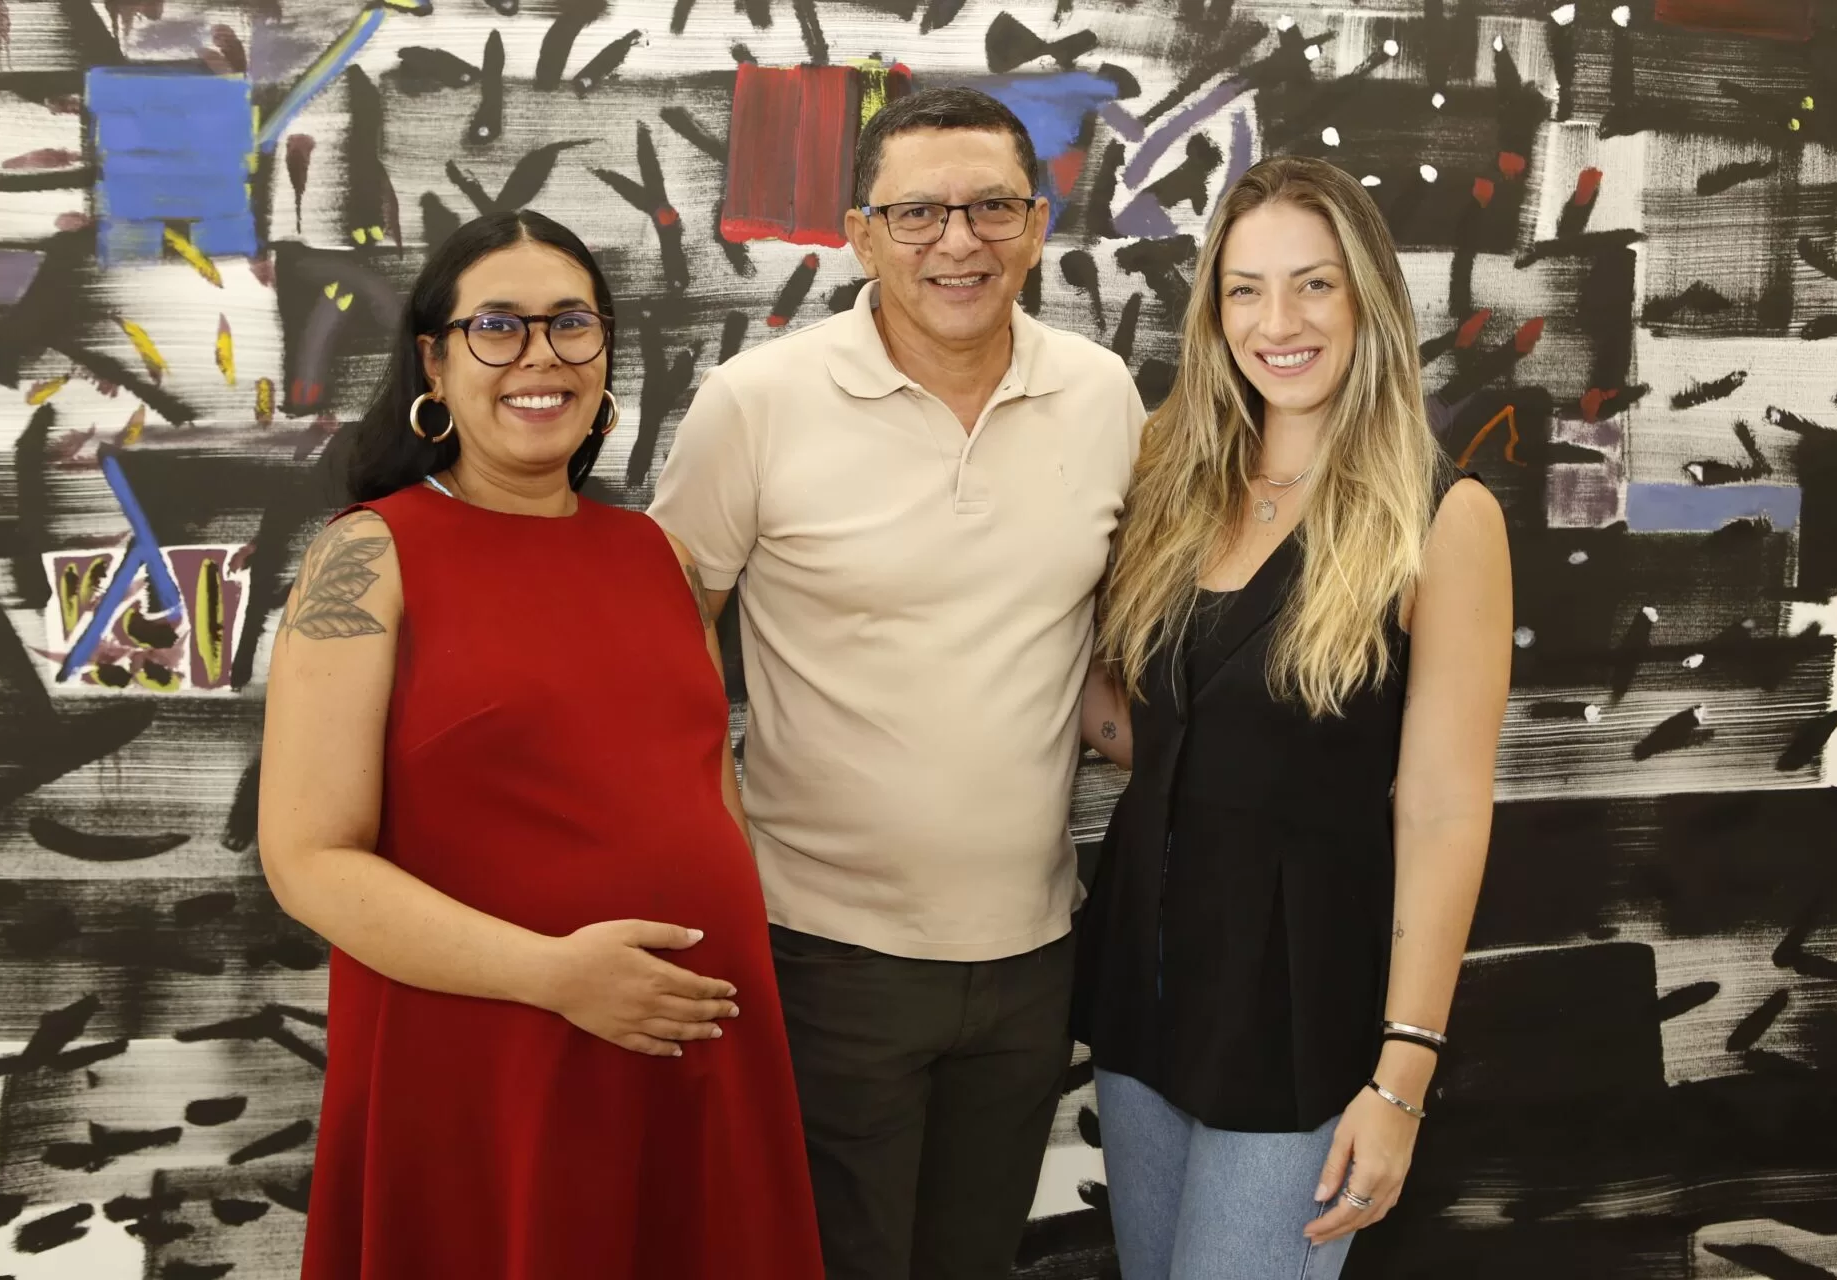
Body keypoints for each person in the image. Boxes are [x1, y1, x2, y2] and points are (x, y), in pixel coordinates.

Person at [258, 209, 823, 1280]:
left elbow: (709, 791)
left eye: (571, 323)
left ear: (605, 353)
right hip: (488, 1059)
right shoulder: (368, 556)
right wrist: (555, 974)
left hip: (693, 1054)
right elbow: (307, 858)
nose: (540, 355)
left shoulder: (657, 555)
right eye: (497, 326)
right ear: (434, 361)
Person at [648, 88, 1145, 1279]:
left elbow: (1097, 648)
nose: (957, 241)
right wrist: (712, 856)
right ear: (861, 237)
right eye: (918, 212)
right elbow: (660, 645)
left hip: (1035, 951)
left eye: (991, 208)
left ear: (1039, 226)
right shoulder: (755, 404)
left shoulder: (1103, 395)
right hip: (824, 953)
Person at [1073, 155, 1512, 1278]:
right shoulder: (1172, 483)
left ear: (1368, 297)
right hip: (1145, 992)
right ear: (1215, 314)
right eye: (1246, 289)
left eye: (1315, 284)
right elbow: (1158, 735)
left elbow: (1444, 809)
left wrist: (1402, 1077)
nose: (1279, 322)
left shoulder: (1441, 515)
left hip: (1301, 1017)